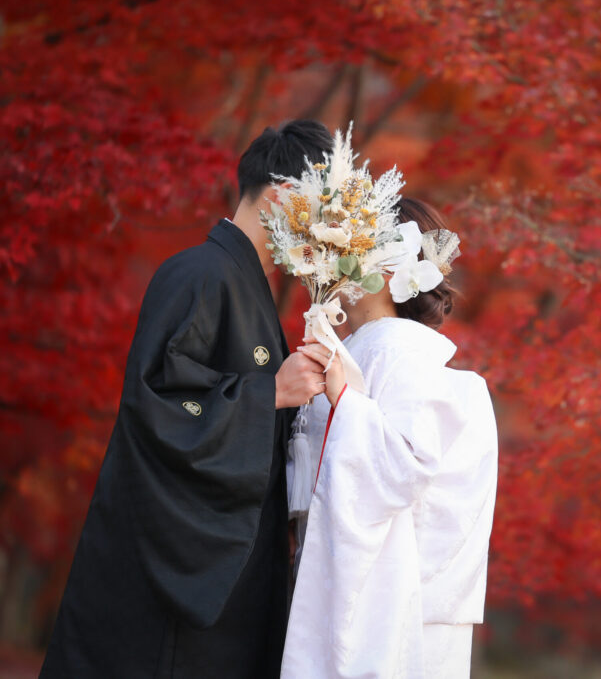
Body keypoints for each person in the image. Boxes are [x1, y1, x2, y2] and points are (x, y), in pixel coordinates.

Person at [40, 120, 333, 678]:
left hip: (234, 559)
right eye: (319, 208)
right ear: (281, 196)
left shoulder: (243, 284)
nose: (324, 229)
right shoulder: (199, 274)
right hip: (180, 570)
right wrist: (270, 392)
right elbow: (157, 407)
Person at [281, 198, 499, 678]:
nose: (333, 261)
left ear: (383, 264)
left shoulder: (396, 350)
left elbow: (404, 465)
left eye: (347, 247)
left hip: (394, 605)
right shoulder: (370, 348)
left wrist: (344, 402)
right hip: (371, 590)